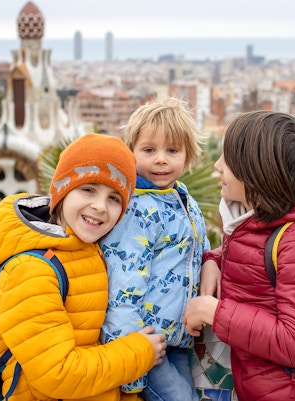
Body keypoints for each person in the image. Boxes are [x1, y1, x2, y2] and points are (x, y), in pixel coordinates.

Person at [0, 133, 167, 401]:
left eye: (114, 198)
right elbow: (58, 374)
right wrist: (140, 352)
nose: (100, 206)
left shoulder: (88, 250)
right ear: (61, 191)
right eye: (88, 189)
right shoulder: (30, 270)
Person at [183, 111, 295, 401]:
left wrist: (213, 312)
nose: (217, 166)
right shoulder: (260, 223)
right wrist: (212, 262)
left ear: (255, 170)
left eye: (228, 159)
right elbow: (252, 265)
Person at [100, 97, 210, 401]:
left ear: (187, 157)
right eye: (149, 150)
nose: (160, 159)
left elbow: (199, 250)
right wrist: (134, 368)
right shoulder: (137, 210)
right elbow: (123, 285)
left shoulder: (183, 199)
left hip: (176, 339)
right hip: (145, 342)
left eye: (172, 151)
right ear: (131, 153)